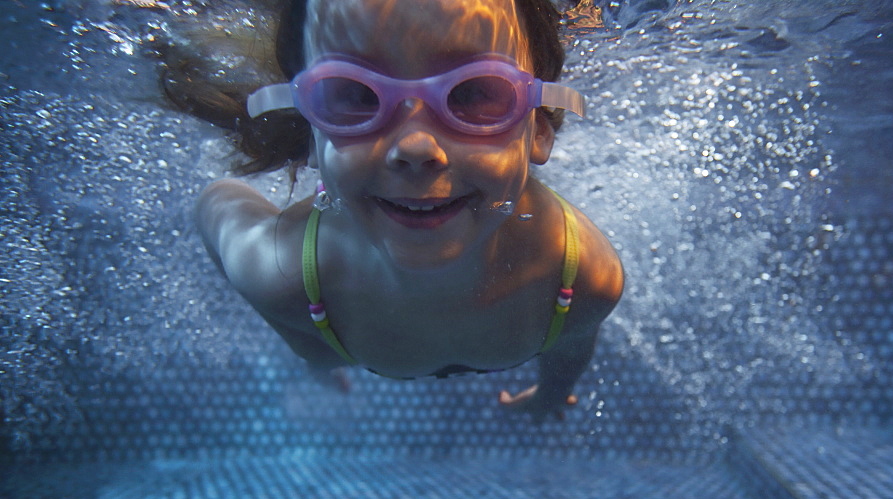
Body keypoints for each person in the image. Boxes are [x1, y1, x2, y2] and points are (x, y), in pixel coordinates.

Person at [166, 0, 624, 419]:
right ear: (310, 131)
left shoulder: (583, 274)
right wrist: (308, 348)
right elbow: (216, 202)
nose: (415, 147)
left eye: (472, 94)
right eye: (354, 95)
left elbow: (572, 347)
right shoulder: (280, 277)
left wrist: (548, 396)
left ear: (538, 128)